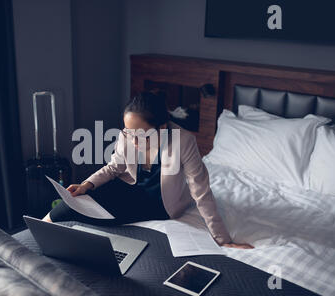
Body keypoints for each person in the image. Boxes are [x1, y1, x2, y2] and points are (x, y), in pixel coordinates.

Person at [43, 91, 253, 249]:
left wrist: (223, 240)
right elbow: (115, 167)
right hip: (127, 187)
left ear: (161, 128)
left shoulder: (184, 141)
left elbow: (201, 192)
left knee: (83, 214)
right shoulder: (129, 134)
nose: (131, 140)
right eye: (127, 132)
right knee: (75, 201)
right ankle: (38, 235)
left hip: (157, 203)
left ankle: (46, 238)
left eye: (139, 135)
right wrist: (86, 184)